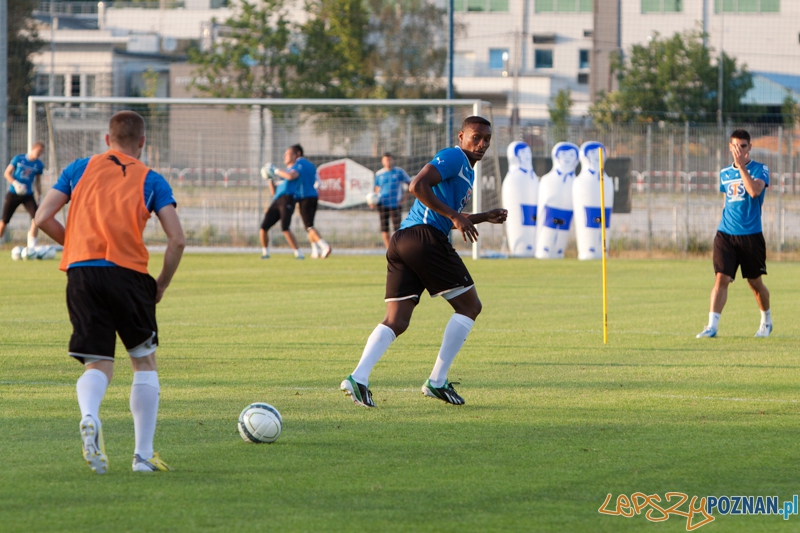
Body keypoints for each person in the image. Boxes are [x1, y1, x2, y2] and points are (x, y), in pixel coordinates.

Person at [35, 111, 185, 474]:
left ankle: (89, 415)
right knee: (143, 362)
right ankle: (143, 456)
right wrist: (161, 284)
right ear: (143, 142)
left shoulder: (78, 169)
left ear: (107, 139)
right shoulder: (151, 179)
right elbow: (177, 240)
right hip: (128, 275)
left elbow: (41, 218)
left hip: (82, 275)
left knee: (98, 363)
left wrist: (76, 247)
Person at [340, 116, 507, 407]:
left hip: (403, 241)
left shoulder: (466, 172)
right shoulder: (454, 156)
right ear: (461, 136)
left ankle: (358, 378)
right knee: (470, 307)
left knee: (397, 320)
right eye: (476, 137)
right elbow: (417, 186)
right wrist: (455, 216)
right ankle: (437, 382)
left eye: (487, 140)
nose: (482, 144)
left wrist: (482, 217)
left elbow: (443, 214)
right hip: (424, 239)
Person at [697, 129, 772, 339]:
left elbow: (754, 191)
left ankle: (766, 321)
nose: (739, 150)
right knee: (721, 278)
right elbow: (728, 202)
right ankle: (712, 326)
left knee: (755, 283)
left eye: (743, 146)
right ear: (730, 147)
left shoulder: (760, 169)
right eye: (735, 146)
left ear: (750, 147)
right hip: (726, 234)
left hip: (751, 236)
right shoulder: (724, 173)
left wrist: (741, 167)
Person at [285, 144, 331, 259]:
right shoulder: (311, 165)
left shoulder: (297, 165)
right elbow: (319, 182)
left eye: (290, 153)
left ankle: (324, 246)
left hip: (304, 197)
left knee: (309, 226)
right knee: (310, 225)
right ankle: (315, 251)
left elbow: (291, 177)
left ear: (297, 153)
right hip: (314, 196)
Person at [2, 142, 45, 248]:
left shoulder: (39, 165)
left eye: (41, 152)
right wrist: (16, 184)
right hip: (13, 193)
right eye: (38, 150)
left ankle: (32, 247)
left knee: (36, 219)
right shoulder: (19, 158)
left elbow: (38, 182)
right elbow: (7, 173)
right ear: (33, 149)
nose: (39, 153)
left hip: (28, 195)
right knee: (4, 220)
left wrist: (39, 196)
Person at [373, 153, 411, 249]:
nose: (388, 162)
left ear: (392, 160)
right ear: (382, 161)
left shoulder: (399, 172)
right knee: (384, 227)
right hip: (382, 204)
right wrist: (374, 201)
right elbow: (377, 189)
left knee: (397, 228)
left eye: (389, 159)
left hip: (395, 204)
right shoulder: (379, 174)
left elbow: (410, 184)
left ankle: (397, 248)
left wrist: (404, 199)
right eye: (386, 160)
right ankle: (388, 249)